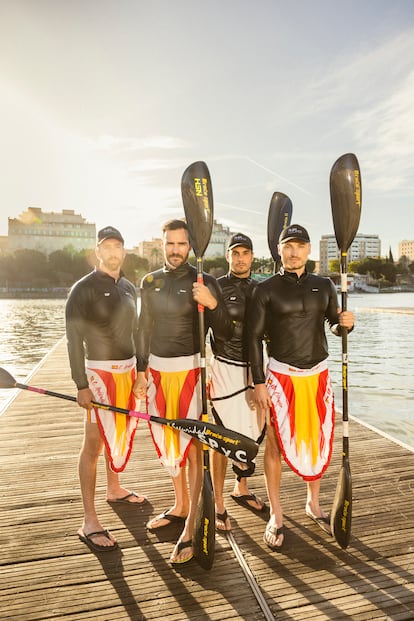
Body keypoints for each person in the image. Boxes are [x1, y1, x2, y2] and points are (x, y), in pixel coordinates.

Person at [248, 224, 354, 550]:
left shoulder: (324, 285)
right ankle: (276, 515)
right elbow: (252, 338)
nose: (294, 252)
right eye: (288, 246)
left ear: (309, 250)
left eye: (300, 246)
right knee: (275, 447)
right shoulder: (264, 290)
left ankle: (313, 503)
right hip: (280, 376)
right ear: (279, 250)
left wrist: (344, 323)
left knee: (317, 442)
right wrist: (258, 383)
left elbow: (335, 323)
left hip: (318, 375)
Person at [134, 218, 232, 564]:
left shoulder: (205, 281)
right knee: (170, 444)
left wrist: (212, 303)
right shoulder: (150, 281)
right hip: (159, 374)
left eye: (181, 244)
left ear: (190, 246)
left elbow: (225, 331)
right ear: (162, 245)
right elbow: (143, 327)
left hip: (191, 371)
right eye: (170, 244)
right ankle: (181, 504)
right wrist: (141, 371)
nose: (175, 250)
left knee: (192, 448)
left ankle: (191, 525)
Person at [66, 226, 147, 553]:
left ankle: (114, 489)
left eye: (118, 247)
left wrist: (141, 372)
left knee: (121, 434)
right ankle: (89, 520)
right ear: (98, 251)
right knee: (94, 443)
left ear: (123, 251)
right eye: (107, 247)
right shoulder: (82, 289)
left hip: (127, 372)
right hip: (98, 374)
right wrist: (81, 385)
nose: (113, 252)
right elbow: (73, 341)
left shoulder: (129, 287)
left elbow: (139, 332)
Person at [209, 233, 267, 532]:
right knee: (221, 438)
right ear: (228, 256)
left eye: (245, 253)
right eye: (235, 253)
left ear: (252, 256)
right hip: (225, 369)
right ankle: (218, 503)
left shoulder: (261, 289)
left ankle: (240, 488)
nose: (240, 258)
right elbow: (202, 331)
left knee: (251, 433)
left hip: (255, 369)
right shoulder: (215, 287)